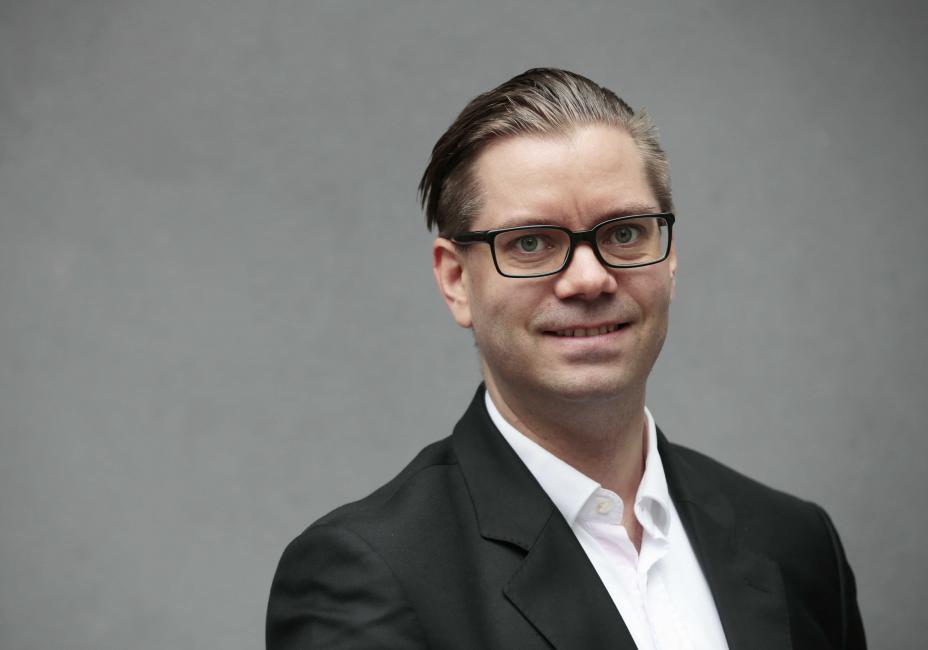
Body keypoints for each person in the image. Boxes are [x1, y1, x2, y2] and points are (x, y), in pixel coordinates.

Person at [266, 68, 866, 649]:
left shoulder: (796, 543)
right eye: (530, 242)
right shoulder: (367, 576)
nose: (589, 279)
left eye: (625, 233)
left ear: (670, 257)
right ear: (455, 281)